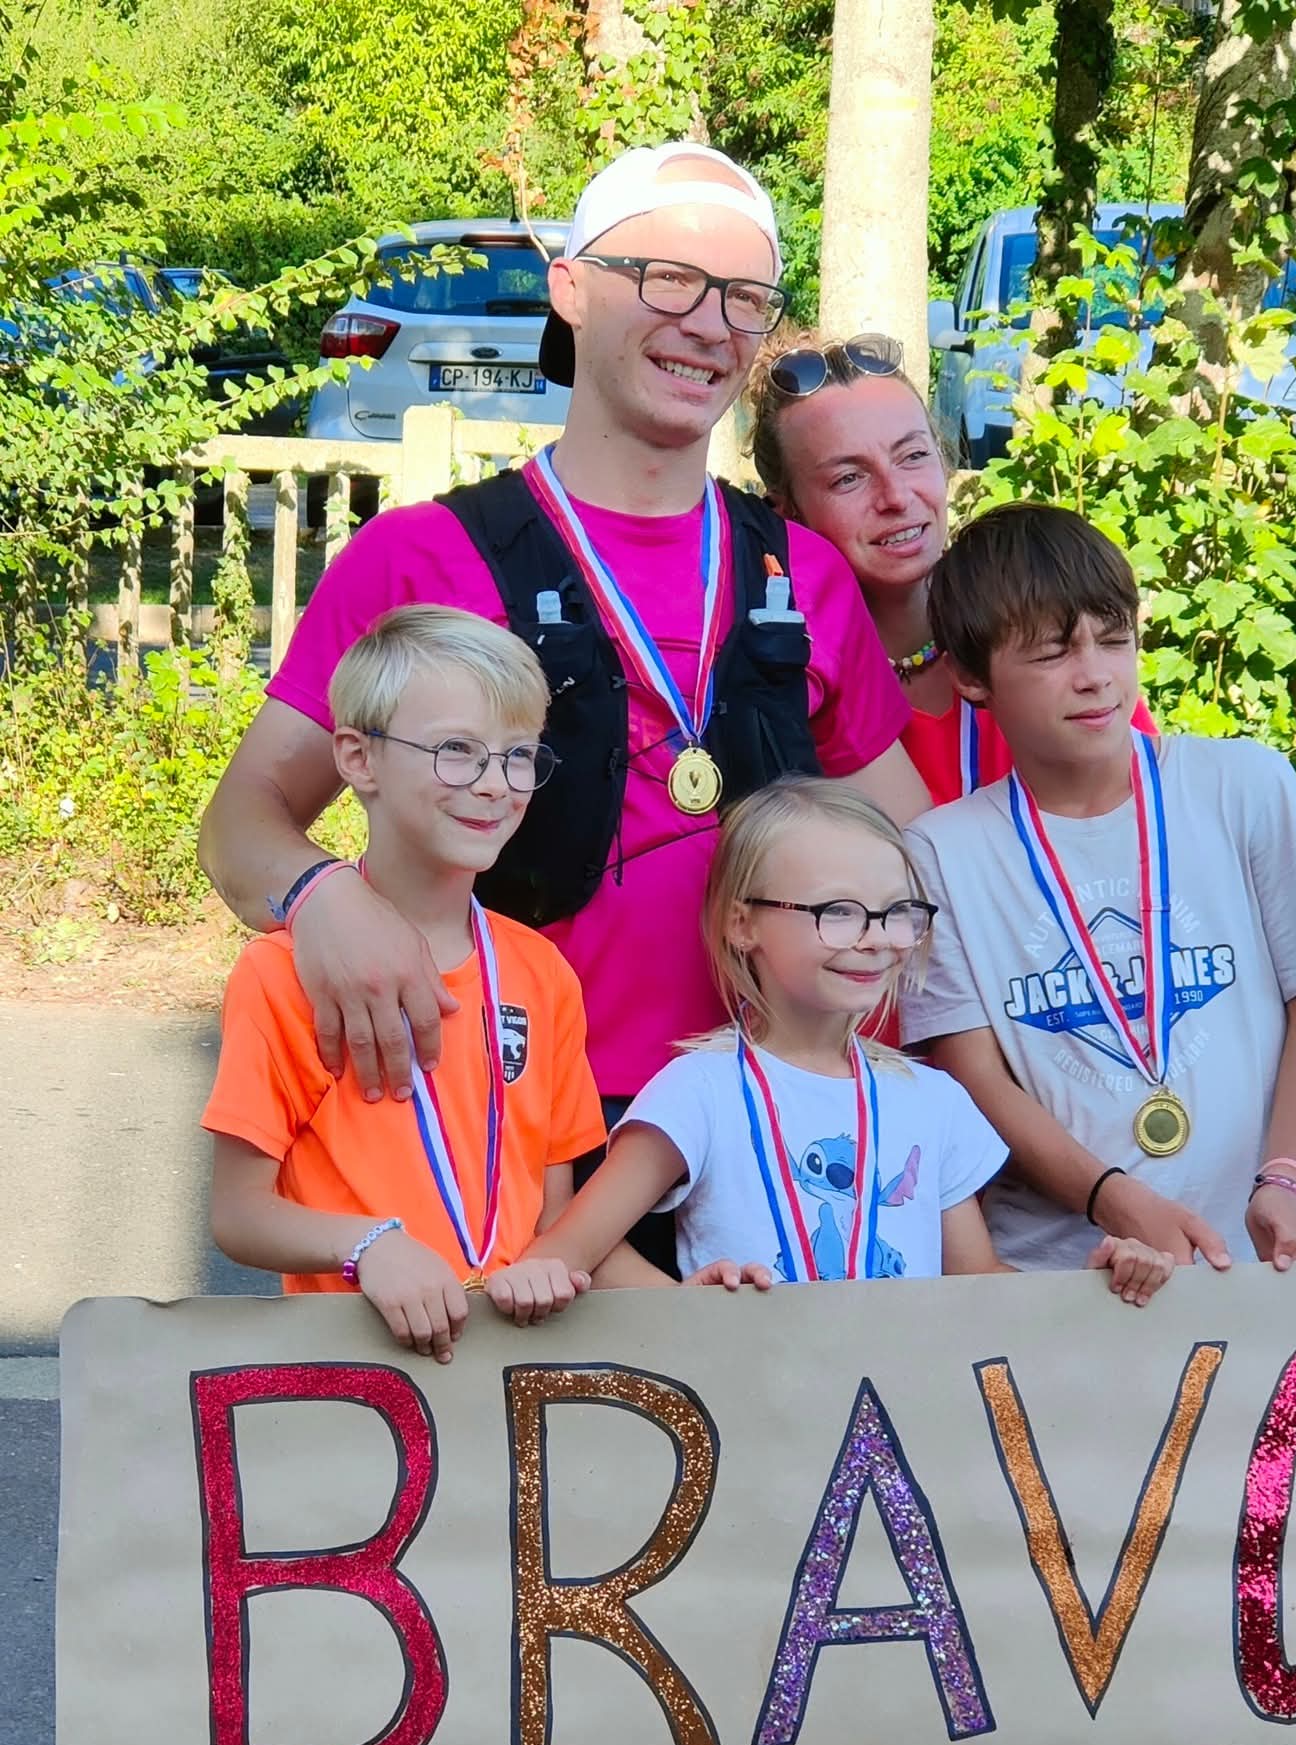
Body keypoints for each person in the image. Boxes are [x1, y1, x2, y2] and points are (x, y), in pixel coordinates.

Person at [198, 144, 928, 1137]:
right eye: (669, 280)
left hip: (768, 1134)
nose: (708, 324)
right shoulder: (418, 557)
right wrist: (323, 897)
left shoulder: (800, 574)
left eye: (743, 298)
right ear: (571, 289)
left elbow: (921, 857)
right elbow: (240, 825)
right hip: (504, 1130)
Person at [899, 502, 1296, 1274]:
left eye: (1113, 640)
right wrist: (1109, 1198)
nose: (1094, 676)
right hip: (1057, 1273)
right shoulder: (939, 851)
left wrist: (1283, 1177)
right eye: (1051, 653)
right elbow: (971, 1070)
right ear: (972, 677)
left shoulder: (1243, 786)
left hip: (1245, 1256)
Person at [523, 778, 1174, 1304]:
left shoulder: (934, 1099)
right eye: (837, 912)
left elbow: (976, 1286)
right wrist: (686, 1310)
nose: (875, 938)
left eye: (896, 912)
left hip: (904, 1414)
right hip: (756, 1411)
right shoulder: (698, 1090)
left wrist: (1095, 1288)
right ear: (742, 924)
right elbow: (573, 1249)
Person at [202, 606, 619, 1362]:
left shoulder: (541, 973)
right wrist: (369, 1247)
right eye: (457, 751)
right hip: (358, 1377)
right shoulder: (281, 973)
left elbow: (549, 1215)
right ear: (358, 759)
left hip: (507, 1371)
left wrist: (685, 1294)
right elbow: (238, 1215)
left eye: (518, 756)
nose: (495, 785)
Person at [745, 329, 1157, 807]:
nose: (897, 497)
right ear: (785, 514)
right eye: (849, 478)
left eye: (913, 456)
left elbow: (1150, 807)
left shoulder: (1045, 620)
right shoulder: (784, 674)